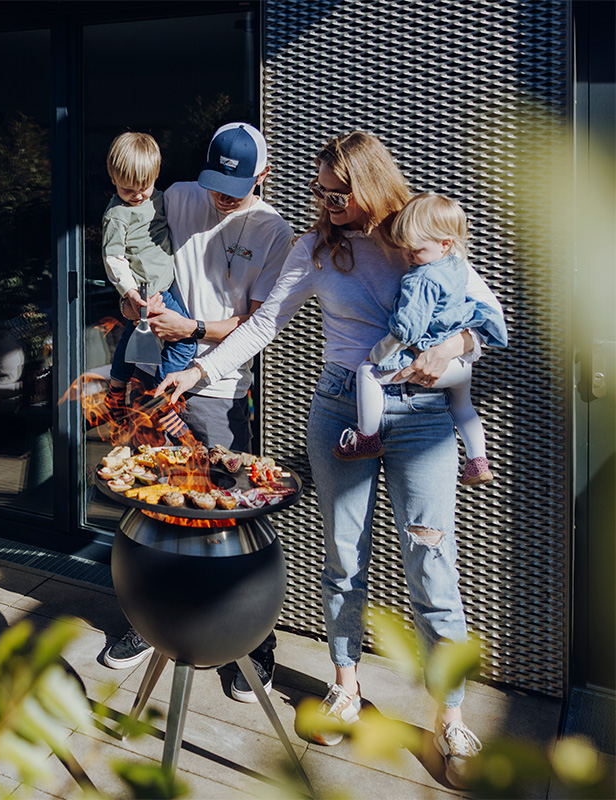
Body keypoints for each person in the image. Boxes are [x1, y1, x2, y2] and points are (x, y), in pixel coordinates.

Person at [155, 131, 506, 788]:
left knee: (431, 559)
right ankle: (345, 686)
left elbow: (487, 320)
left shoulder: (420, 234)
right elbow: (264, 326)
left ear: (371, 185)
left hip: (424, 418)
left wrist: (448, 350)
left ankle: (450, 716)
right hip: (342, 407)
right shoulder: (317, 246)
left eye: (337, 193)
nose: (326, 202)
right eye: (320, 191)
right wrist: (200, 370)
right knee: (344, 556)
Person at [101, 123, 295, 706]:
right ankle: (153, 620)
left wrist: (194, 331)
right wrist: (130, 299)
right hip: (157, 373)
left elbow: (259, 322)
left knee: (228, 512)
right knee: (159, 500)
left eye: (235, 186)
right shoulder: (179, 195)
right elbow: (130, 247)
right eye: (216, 183)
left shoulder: (272, 232)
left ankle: (250, 642)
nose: (221, 196)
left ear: (264, 173)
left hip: (219, 386)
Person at [336, 193, 507, 488]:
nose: (408, 257)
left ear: (444, 243)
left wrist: (377, 354)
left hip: (426, 359)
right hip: (460, 367)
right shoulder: (456, 265)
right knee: (463, 407)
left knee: (368, 374)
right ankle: (478, 460)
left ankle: (366, 437)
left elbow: (406, 330)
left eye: (416, 250)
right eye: (405, 249)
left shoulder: (420, 279)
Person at [101, 132, 193, 438]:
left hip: (159, 287)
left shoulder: (159, 197)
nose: (138, 196)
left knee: (130, 337)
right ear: (112, 178)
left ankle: (116, 391)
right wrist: (129, 292)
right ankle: (161, 397)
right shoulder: (117, 215)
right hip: (148, 292)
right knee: (185, 340)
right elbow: (113, 257)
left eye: (145, 187)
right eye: (129, 190)